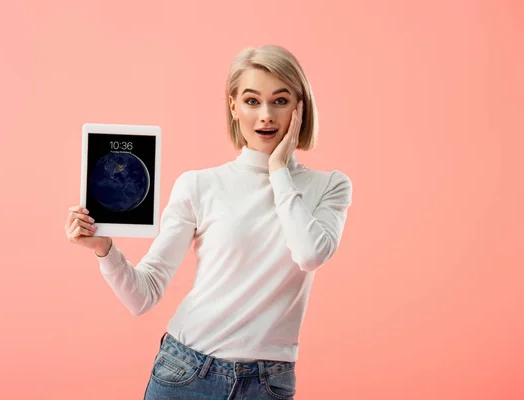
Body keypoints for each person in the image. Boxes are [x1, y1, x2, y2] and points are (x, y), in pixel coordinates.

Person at [65, 44, 352, 400]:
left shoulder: (330, 186)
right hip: (185, 373)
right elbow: (143, 295)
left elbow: (309, 254)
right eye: (251, 101)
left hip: (267, 383)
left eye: (280, 101)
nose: (266, 115)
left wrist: (279, 169)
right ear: (233, 106)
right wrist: (103, 249)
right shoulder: (199, 185)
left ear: (300, 108)